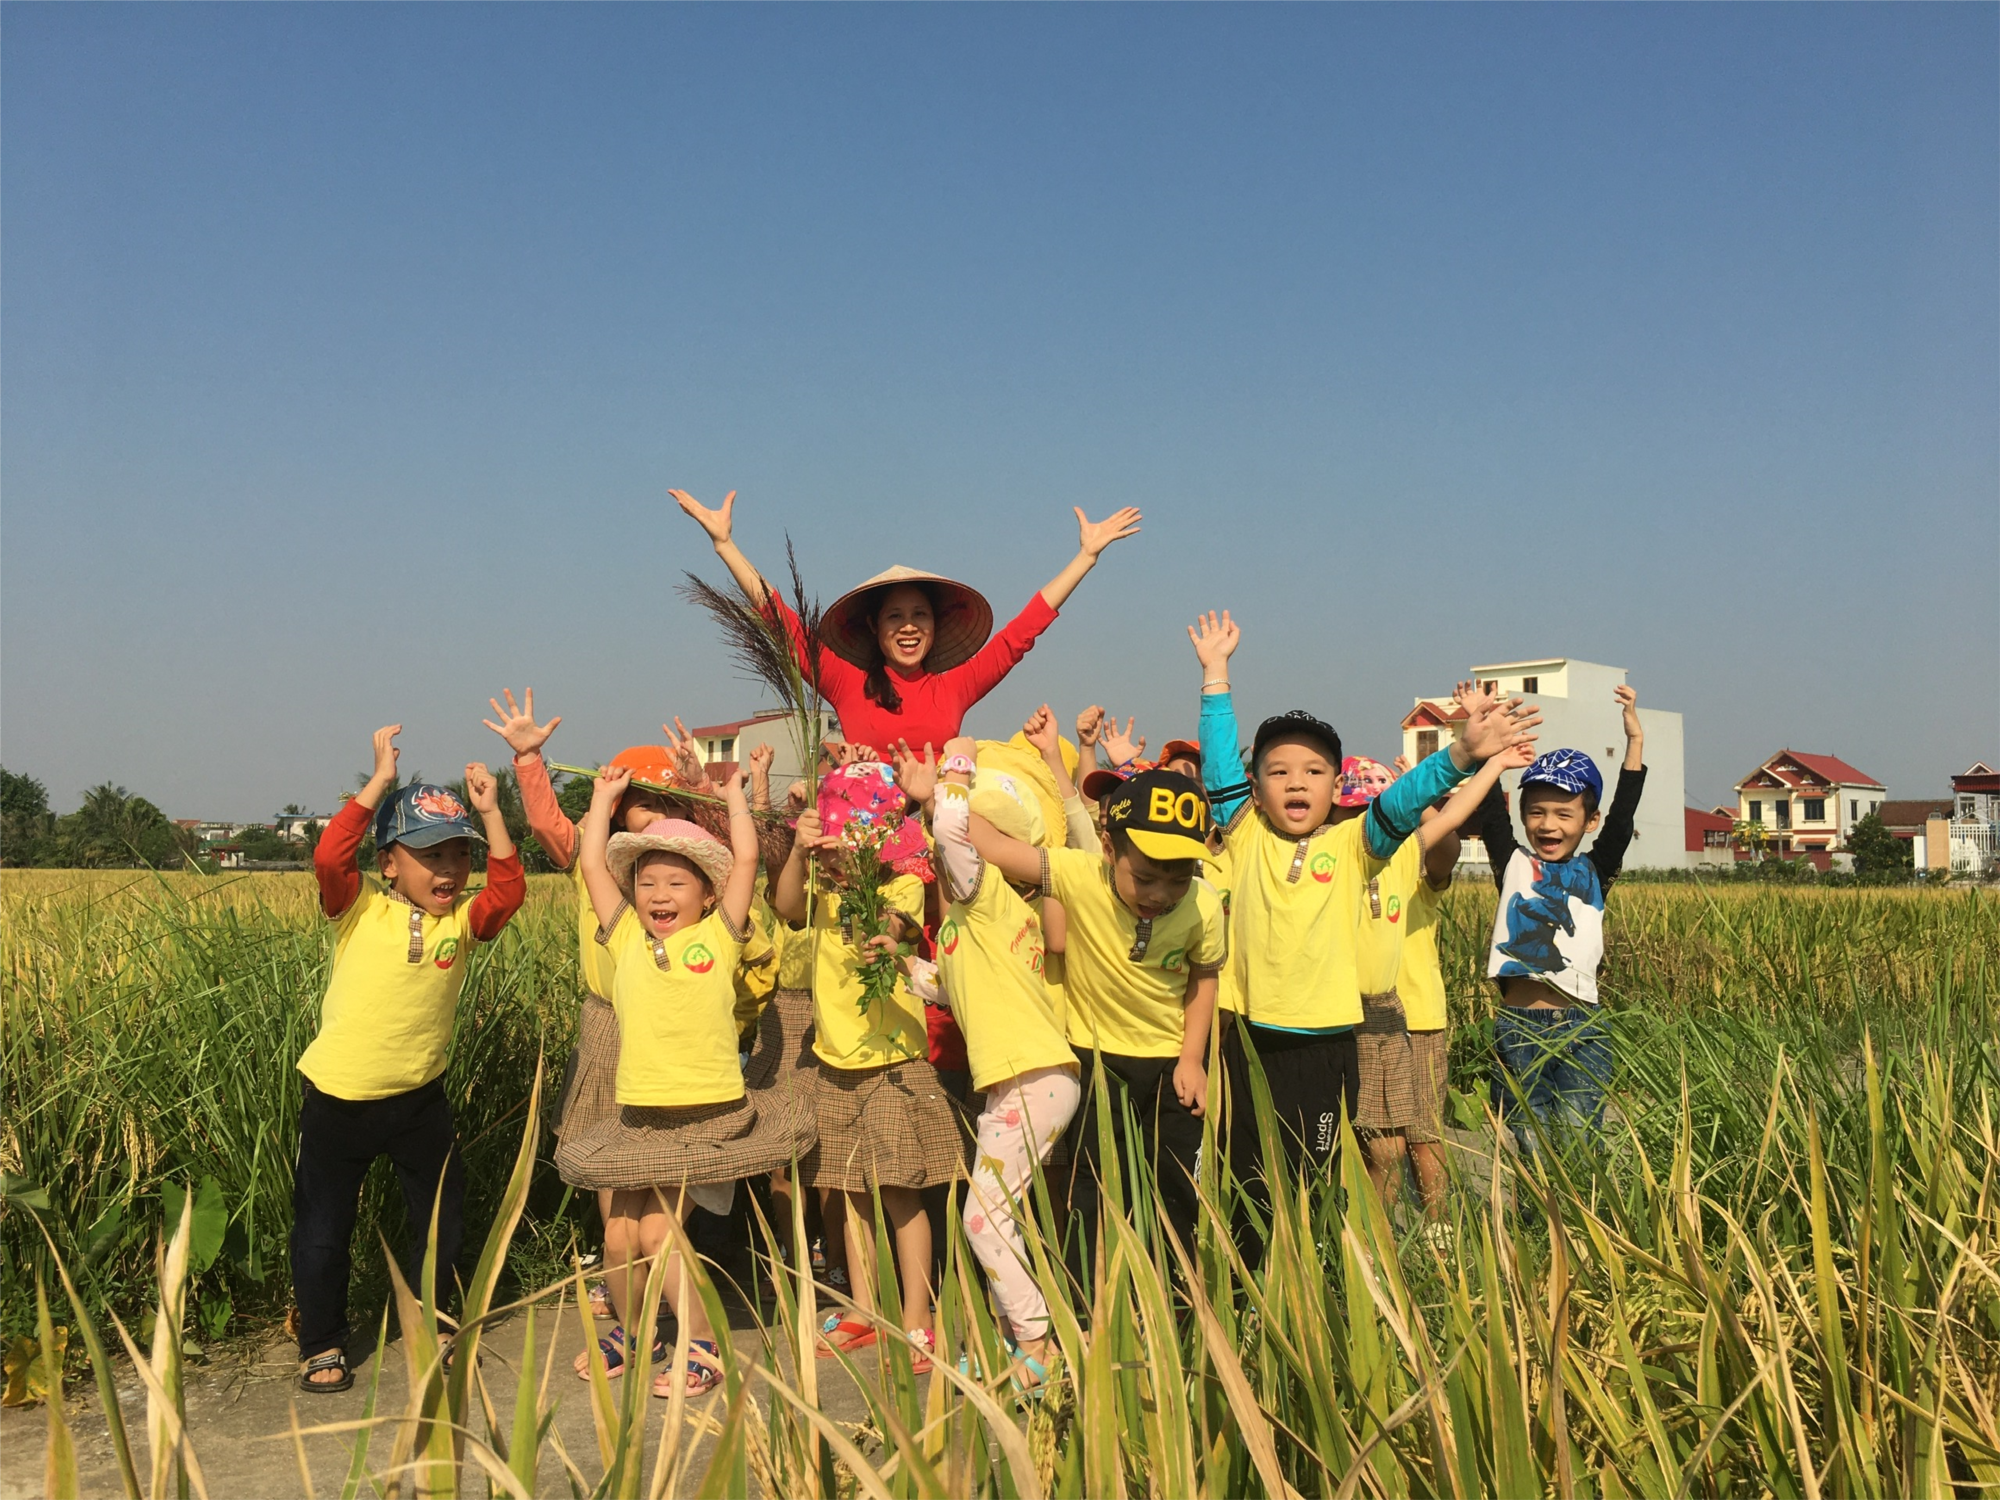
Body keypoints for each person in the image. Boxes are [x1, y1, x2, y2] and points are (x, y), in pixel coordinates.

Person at [1186, 612, 1534, 1254]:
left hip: (1328, 1047)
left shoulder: (1355, 845)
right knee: (1248, 1177)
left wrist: (1461, 755)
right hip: (1252, 1042)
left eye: (1314, 771)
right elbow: (1218, 763)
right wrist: (1216, 676)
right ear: (1255, 788)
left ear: (1335, 786)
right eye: (1278, 771)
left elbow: (1403, 802)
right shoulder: (1244, 832)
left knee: (1316, 1179)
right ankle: (1247, 1285)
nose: (1296, 781)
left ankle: (1320, 1282)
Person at [485, 690, 736, 1327]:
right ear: (618, 807)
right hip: (608, 1023)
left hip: (677, 1034)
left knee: (668, 1179)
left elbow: (734, 856)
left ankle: (670, 1287)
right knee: (612, 1163)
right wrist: (530, 762)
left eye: (668, 804)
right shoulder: (595, 858)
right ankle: (623, 1281)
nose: (655, 816)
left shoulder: (690, 874)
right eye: (642, 802)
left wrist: (703, 785)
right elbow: (550, 826)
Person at [563, 762, 810, 1398]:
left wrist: (733, 801)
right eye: (647, 882)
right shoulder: (625, 938)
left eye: (677, 882)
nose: (660, 893)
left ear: (706, 894)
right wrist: (602, 801)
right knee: (619, 1237)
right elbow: (593, 865)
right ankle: (635, 1331)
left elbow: (747, 860)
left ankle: (703, 1342)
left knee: (658, 1233)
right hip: (641, 1116)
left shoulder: (719, 937)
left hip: (704, 1116)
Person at [293, 727, 525, 1393]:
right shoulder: (356, 906)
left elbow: (509, 891)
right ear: (389, 864)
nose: (449, 869)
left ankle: (437, 1322)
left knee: (440, 1224)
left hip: (421, 1101)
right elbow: (330, 856)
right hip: (338, 1101)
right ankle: (321, 1341)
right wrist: (378, 783)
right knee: (323, 1230)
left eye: (460, 854)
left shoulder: (462, 924)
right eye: (430, 854)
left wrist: (490, 812)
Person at [964, 764, 1225, 1275]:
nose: (1159, 894)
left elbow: (1204, 977)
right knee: (1097, 1187)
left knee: (1177, 1187)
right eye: (1144, 878)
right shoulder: (1076, 873)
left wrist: (1193, 1058)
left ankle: (1178, 1301)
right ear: (1108, 848)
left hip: (1172, 1065)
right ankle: (1094, 1302)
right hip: (1098, 1063)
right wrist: (949, 785)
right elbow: (989, 845)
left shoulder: (1203, 905)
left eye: (1178, 879)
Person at [672, 487, 1143, 755]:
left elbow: (1019, 634)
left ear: (936, 627)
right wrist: (725, 545)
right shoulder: (844, 682)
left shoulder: (955, 685)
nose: (909, 626)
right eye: (895, 617)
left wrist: (1085, 557)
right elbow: (781, 622)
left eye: (920, 615)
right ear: (874, 629)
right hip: (865, 840)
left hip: (940, 834)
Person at [893, 735, 1079, 1389]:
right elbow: (948, 988)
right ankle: (1020, 1340)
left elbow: (949, 825)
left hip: (1034, 1078)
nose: (948, 845)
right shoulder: (964, 924)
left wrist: (958, 762)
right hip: (1019, 1081)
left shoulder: (989, 894)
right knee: (998, 1216)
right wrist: (898, 962)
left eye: (970, 836)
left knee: (983, 1219)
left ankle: (1036, 1344)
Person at [772, 761, 963, 1372]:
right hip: (833, 1062)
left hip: (890, 1063)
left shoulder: (901, 883)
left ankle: (916, 1318)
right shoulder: (820, 891)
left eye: (842, 842)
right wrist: (800, 854)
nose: (832, 856)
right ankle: (863, 1308)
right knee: (851, 1191)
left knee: (901, 1192)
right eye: (828, 842)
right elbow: (785, 906)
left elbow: (896, 927)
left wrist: (859, 881)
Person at [1340, 715, 1533, 1232]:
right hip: (1353, 1017)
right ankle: (1373, 1233)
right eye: (1352, 813)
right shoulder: (1332, 867)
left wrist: (1419, 793)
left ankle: (1438, 1228)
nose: (1365, 825)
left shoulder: (1410, 859)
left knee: (1424, 1134)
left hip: (1419, 1016)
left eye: (1374, 812)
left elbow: (1446, 837)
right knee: (1375, 1139)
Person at [1475, 686, 1647, 1156]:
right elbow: (1489, 814)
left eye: (1563, 814)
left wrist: (1634, 742)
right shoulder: (1512, 864)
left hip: (1582, 1028)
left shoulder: (1595, 870)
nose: (1548, 824)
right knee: (1529, 1142)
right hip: (1518, 1027)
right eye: (1537, 812)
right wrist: (1486, 745)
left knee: (1577, 1140)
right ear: (1522, 815)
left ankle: (1577, 1204)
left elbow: (1623, 817)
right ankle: (1534, 1206)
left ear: (1589, 821)